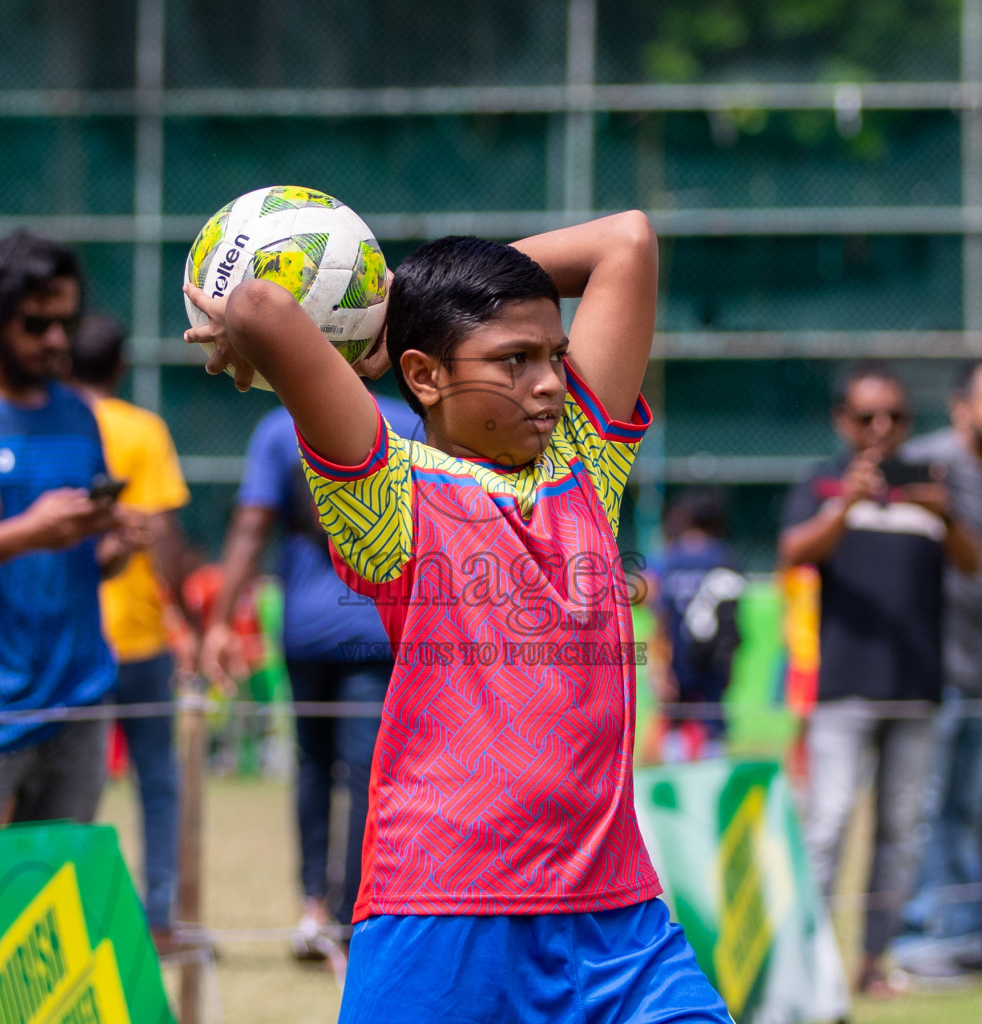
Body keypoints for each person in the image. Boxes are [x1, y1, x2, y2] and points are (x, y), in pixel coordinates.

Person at [186, 212, 734, 1022]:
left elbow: (627, 241)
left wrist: (411, 296)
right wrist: (385, 315)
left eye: (553, 354)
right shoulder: (386, 498)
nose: (550, 381)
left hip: (617, 922)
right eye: (513, 361)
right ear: (425, 375)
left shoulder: (583, 462)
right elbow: (266, 306)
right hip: (442, 916)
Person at [0, 232, 140, 833]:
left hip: (78, 700)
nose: (55, 340)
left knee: (52, 901)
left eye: (65, 323)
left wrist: (112, 544)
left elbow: (77, 560)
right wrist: (28, 532)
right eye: (36, 323)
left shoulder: (77, 413)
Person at [778, 362, 982, 995]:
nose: (882, 429)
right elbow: (792, 553)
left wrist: (945, 514)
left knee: (902, 835)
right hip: (844, 688)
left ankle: (871, 964)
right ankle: (811, 965)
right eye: (867, 417)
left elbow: (974, 565)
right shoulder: (822, 483)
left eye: (895, 417)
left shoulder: (931, 484)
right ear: (843, 421)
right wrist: (846, 505)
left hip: (918, 689)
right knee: (830, 822)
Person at [201, 390, 419, 956]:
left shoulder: (281, 426)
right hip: (374, 631)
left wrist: (220, 621)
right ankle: (352, 919)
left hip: (305, 632)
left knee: (312, 766)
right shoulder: (402, 421)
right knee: (367, 776)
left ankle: (312, 910)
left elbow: (251, 528)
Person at [891, 358, 982, 982]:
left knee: (966, 810)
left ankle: (965, 936)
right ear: (961, 407)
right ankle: (917, 942)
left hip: (981, 668)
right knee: (927, 806)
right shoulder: (928, 462)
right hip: (931, 668)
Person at [68, 312, 190, 947]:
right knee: (156, 780)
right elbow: (164, 533)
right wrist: (183, 614)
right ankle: (160, 915)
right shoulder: (144, 429)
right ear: (119, 365)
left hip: (73, 638)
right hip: (139, 636)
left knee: (73, 788)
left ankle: (74, 916)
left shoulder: (58, 422)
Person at [649, 488, 742, 763]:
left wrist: (660, 668)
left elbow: (661, 619)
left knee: (675, 726)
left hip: (677, 657)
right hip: (714, 660)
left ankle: (674, 792)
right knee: (713, 727)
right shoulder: (725, 558)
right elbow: (732, 619)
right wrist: (731, 664)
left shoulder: (671, 559)